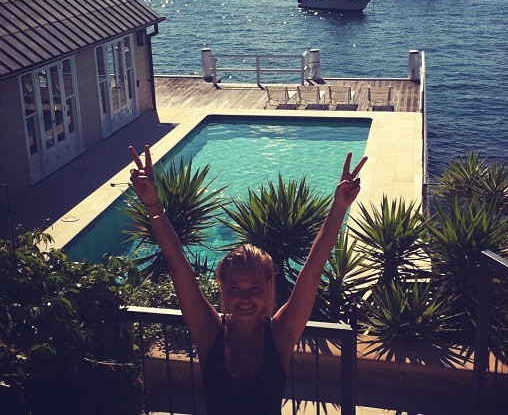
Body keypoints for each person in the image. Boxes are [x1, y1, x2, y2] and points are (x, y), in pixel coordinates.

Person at [128, 145, 367, 415]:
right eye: (236, 288)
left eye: (254, 288)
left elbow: (312, 270)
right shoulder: (209, 332)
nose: (245, 298)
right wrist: (153, 204)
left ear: (267, 288)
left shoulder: (281, 333)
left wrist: (339, 207)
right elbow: (179, 267)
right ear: (223, 287)